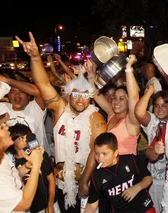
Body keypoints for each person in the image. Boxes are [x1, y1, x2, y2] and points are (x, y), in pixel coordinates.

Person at [16, 32, 107, 211]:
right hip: (60, 184)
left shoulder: (96, 118)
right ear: (69, 95)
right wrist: (35, 57)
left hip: (87, 184)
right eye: (76, 95)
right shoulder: (59, 110)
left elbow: (95, 152)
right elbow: (43, 85)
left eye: (85, 96)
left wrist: (85, 181)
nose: (81, 100)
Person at [84, 132, 155, 213]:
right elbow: (91, 206)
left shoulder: (131, 160)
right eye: (97, 153)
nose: (100, 158)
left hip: (144, 209)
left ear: (115, 153)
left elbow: (148, 178)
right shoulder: (97, 176)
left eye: (104, 154)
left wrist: (136, 188)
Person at [85, 55, 140, 156]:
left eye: (122, 98)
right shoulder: (112, 113)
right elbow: (96, 95)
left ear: (128, 102)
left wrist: (128, 68)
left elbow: (134, 97)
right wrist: (90, 74)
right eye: (114, 97)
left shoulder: (132, 120)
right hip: (109, 166)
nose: (116, 102)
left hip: (125, 168)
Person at [7, 123, 59, 213]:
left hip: (50, 203)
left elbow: (51, 180)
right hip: (29, 208)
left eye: (26, 137)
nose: (24, 141)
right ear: (12, 142)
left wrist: (50, 204)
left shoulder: (39, 154)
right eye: (20, 138)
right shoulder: (11, 163)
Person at [0, 117, 44, 213]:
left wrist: (26, 166)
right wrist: (36, 165)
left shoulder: (2, 156)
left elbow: (12, 177)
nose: (7, 128)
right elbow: (23, 203)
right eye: (1, 127)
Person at [0, 73, 51, 155]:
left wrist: (8, 81)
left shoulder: (35, 107)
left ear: (28, 95)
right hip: (12, 162)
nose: (17, 95)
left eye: (22, 92)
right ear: (8, 95)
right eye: (13, 91)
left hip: (39, 159)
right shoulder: (1, 107)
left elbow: (40, 91)